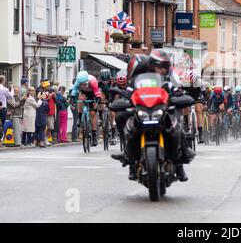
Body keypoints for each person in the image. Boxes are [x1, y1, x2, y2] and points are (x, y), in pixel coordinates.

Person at [113, 51, 194, 182]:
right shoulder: (137, 80)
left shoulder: (166, 82)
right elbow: (128, 92)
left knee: (175, 122)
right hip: (142, 111)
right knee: (121, 117)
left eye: (165, 67)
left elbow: (176, 90)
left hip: (161, 111)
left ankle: (180, 163)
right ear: (151, 65)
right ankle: (130, 158)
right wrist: (123, 99)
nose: (162, 70)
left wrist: (180, 96)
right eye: (159, 66)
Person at [71, 71, 101, 147]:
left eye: (84, 84)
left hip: (93, 93)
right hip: (84, 93)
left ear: (87, 81)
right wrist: (72, 102)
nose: (82, 85)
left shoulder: (93, 81)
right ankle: (80, 116)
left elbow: (98, 96)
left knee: (93, 113)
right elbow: (74, 92)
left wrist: (96, 103)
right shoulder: (78, 82)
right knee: (80, 99)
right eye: (81, 84)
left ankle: (94, 135)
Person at [181, 71, 207, 144]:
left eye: (193, 83)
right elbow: (179, 92)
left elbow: (205, 94)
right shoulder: (183, 82)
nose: (191, 85)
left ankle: (200, 133)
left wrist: (205, 103)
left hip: (197, 94)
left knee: (198, 109)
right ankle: (186, 124)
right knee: (184, 105)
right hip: (187, 93)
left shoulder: (200, 82)